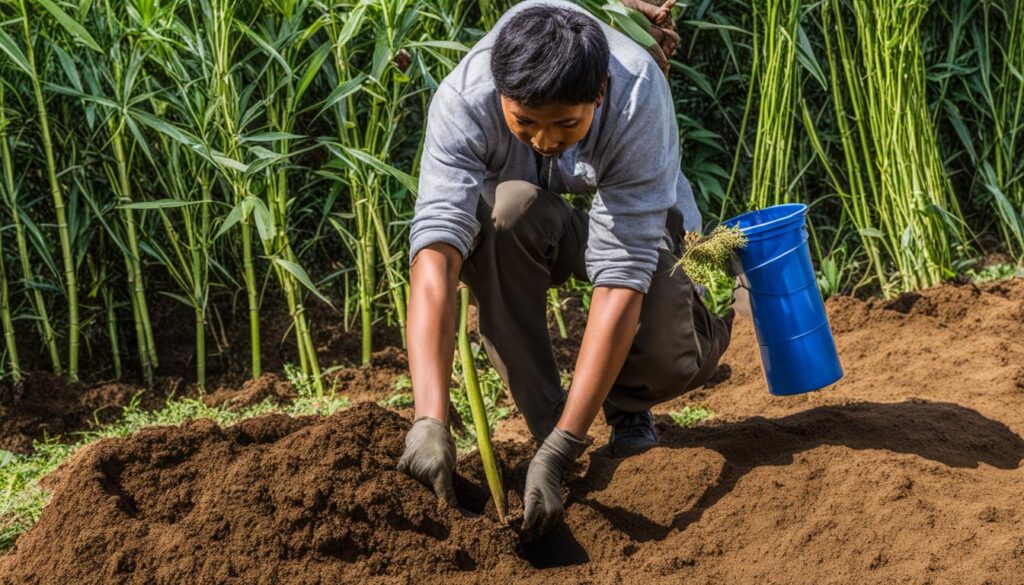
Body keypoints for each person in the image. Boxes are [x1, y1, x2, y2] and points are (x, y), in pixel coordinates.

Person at [397, 0, 733, 540]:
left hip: (641, 229)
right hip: (538, 222)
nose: (546, 140)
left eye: (566, 124)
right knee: (503, 218)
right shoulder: (464, 98)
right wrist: (429, 416)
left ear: (598, 93)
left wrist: (564, 449)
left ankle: (624, 411)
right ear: (500, 94)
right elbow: (436, 252)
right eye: (524, 121)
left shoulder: (636, 91)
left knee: (670, 346)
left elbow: (622, 272)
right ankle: (550, 426)